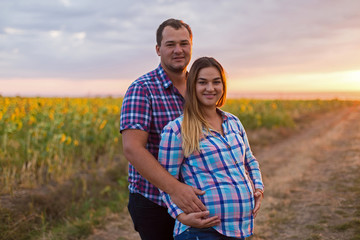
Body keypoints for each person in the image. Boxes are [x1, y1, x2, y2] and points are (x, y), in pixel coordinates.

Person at [120, 19, 214, 240]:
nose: (178, 50)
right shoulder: (141, 89)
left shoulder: (200, 86)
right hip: (156, 201)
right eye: (170, 44)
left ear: (191, 46)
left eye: (184, 43)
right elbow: (133, 149)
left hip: (197, 199)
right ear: (158, 49)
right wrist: (175, 189)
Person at [158, 57, 264, 239]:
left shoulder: (233, 122)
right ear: (192, 86)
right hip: (202, 231)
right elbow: (165, 182)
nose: (210, 88)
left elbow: (250, 160)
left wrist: (258, 188)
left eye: (216, 82)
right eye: (202, 82)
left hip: (240, 228)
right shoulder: (177, 130)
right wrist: (182, 216)